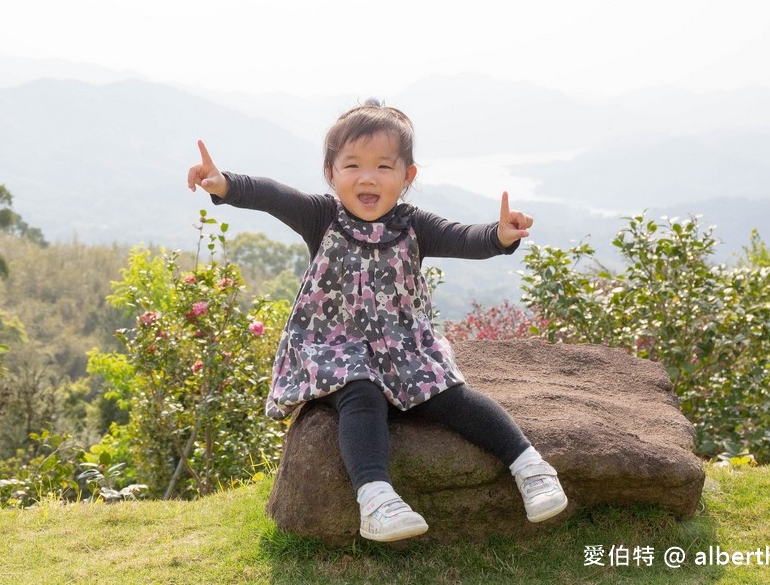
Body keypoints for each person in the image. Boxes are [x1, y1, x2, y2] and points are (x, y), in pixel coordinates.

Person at [187, 99, 567, 542]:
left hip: (403, 346)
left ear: (408, 177)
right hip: (332, 348)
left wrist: (501, 235)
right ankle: (376, 500)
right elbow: (273, 195)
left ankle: (531, 467)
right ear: (331, 173)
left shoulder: (414, 226)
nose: (367, 177)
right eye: (352, 165)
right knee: (360, 392)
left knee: (450, 396)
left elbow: (466, 237)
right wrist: (224, 184)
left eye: (384, 166)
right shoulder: (322, 217)